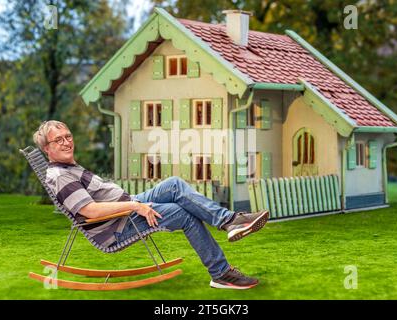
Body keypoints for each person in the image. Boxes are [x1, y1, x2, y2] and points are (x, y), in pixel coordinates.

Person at [33, 120, 269, 289]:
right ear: (47, 148)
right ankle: (221, 273)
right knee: (183, 213)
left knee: (175, 185)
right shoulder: (61, 176)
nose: (66, 142)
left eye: (68, 136)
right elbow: (89, 211)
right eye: (58, 140)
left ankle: (230, 221)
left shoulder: (69, 168)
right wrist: (136, 207)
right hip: (118, 226)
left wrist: (133, 203)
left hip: (127, 206)